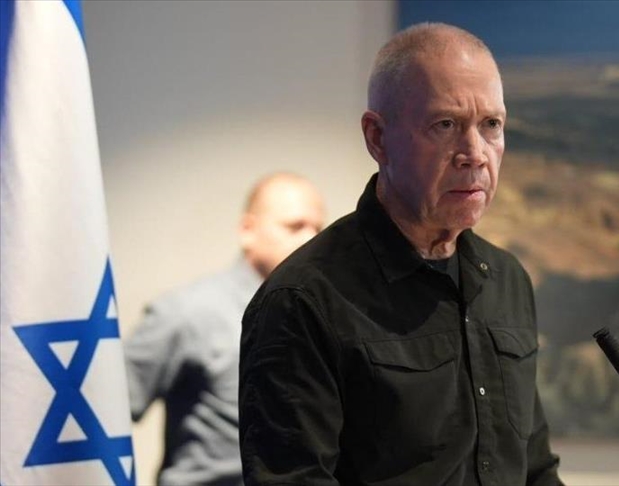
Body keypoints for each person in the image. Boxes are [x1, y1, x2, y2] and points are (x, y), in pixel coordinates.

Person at [239, 23, 563, 486]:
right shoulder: (303, 300)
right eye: (445, 125)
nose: (474, 154)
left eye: (491, 125)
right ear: (377, 138)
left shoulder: (507, 279)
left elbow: (534, 468)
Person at [124, 173, 326, 486]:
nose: (311, 239)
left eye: (318, 229)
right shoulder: (187, 313)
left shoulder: (325, 316)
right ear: (248, 230)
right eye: (294, 226)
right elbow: (102, 414)